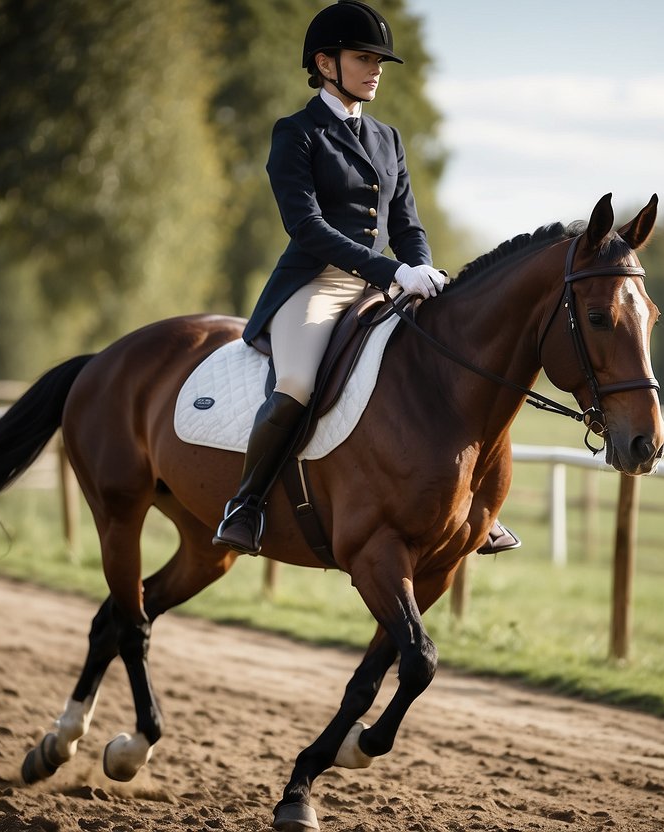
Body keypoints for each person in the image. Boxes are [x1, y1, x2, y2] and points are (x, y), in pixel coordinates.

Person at [213, 0, 520, 558]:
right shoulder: (297, 133)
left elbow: (407, 223)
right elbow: (305, 227)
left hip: (385, 284)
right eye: (364, 57)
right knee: (297, 386)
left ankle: (474, 505)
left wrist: (422, 268)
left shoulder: (388, 138)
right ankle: (247, 504)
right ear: (326, 63)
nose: (376, 68)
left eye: (380, 59)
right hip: (317, 285)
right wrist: (394, 270)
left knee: (448, 367)